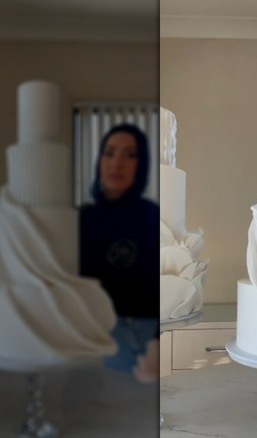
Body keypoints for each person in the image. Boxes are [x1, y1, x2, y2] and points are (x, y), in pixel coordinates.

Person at [80, 123, 160, 380]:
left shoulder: (152, 216)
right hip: (89, 336)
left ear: (142, 164)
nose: (117, 163)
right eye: (109, 153)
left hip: (142, 337)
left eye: (130, 155)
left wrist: (158, 342)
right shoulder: (81, 218)